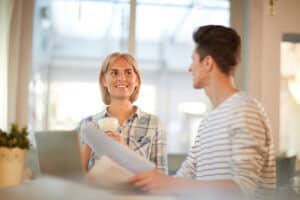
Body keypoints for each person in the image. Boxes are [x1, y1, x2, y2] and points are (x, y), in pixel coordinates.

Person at [129, 25, 276, 199]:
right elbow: (184, 176)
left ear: (207, 63)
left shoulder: (245, 109)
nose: (189, 68)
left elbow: (243, 189)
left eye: (193, 60)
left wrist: (169, 183)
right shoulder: (207, 122)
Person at [77, 52, 168, 174]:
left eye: (128, 72)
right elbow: (76, 178)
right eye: (114, 73)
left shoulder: (154, 123)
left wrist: (124, 150)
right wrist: (91, 141)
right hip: (98, 193)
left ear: (136, 80)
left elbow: (161, 178)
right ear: (104, 80)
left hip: (136, 193)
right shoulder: (87, 124)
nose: (121, 78)